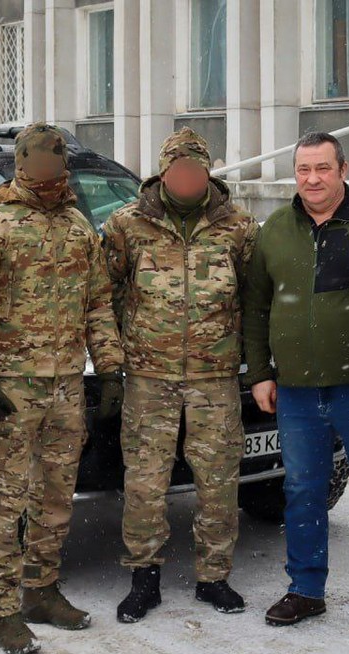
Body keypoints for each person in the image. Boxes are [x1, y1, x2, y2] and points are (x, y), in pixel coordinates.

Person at [244, 131, 349, 639]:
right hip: (294, 391)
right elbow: (255, 308)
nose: (312, 179)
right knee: (301, 492)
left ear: (343, 170)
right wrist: (260, 373)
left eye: (322, 168)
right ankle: (305, 590)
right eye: (303, 170)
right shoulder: (273, 231)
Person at [0, 123, 124, 654]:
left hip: (65, 384)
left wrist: (109, 369)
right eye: (40, 158)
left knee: (56, 493)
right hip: (10, 387)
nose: (50, 167)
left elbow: (99, 302)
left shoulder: (79, 226)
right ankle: (3, 608)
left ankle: (41, 588)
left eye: (57, 158)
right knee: (7, 497)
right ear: (21, 162)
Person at [101, 127, 260, 623]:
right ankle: (143, 577)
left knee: (218, 480)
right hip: (150, 378)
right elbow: (105, 295)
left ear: (206, 171)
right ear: (163, 172)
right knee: (145, 481)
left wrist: (256, 365)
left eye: (195, 168)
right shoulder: (127, 225)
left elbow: (254, 301)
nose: (186, 177)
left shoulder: (239, 227)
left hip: (215, 378)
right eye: (177, 169)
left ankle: (214, 577)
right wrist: (113, 362)